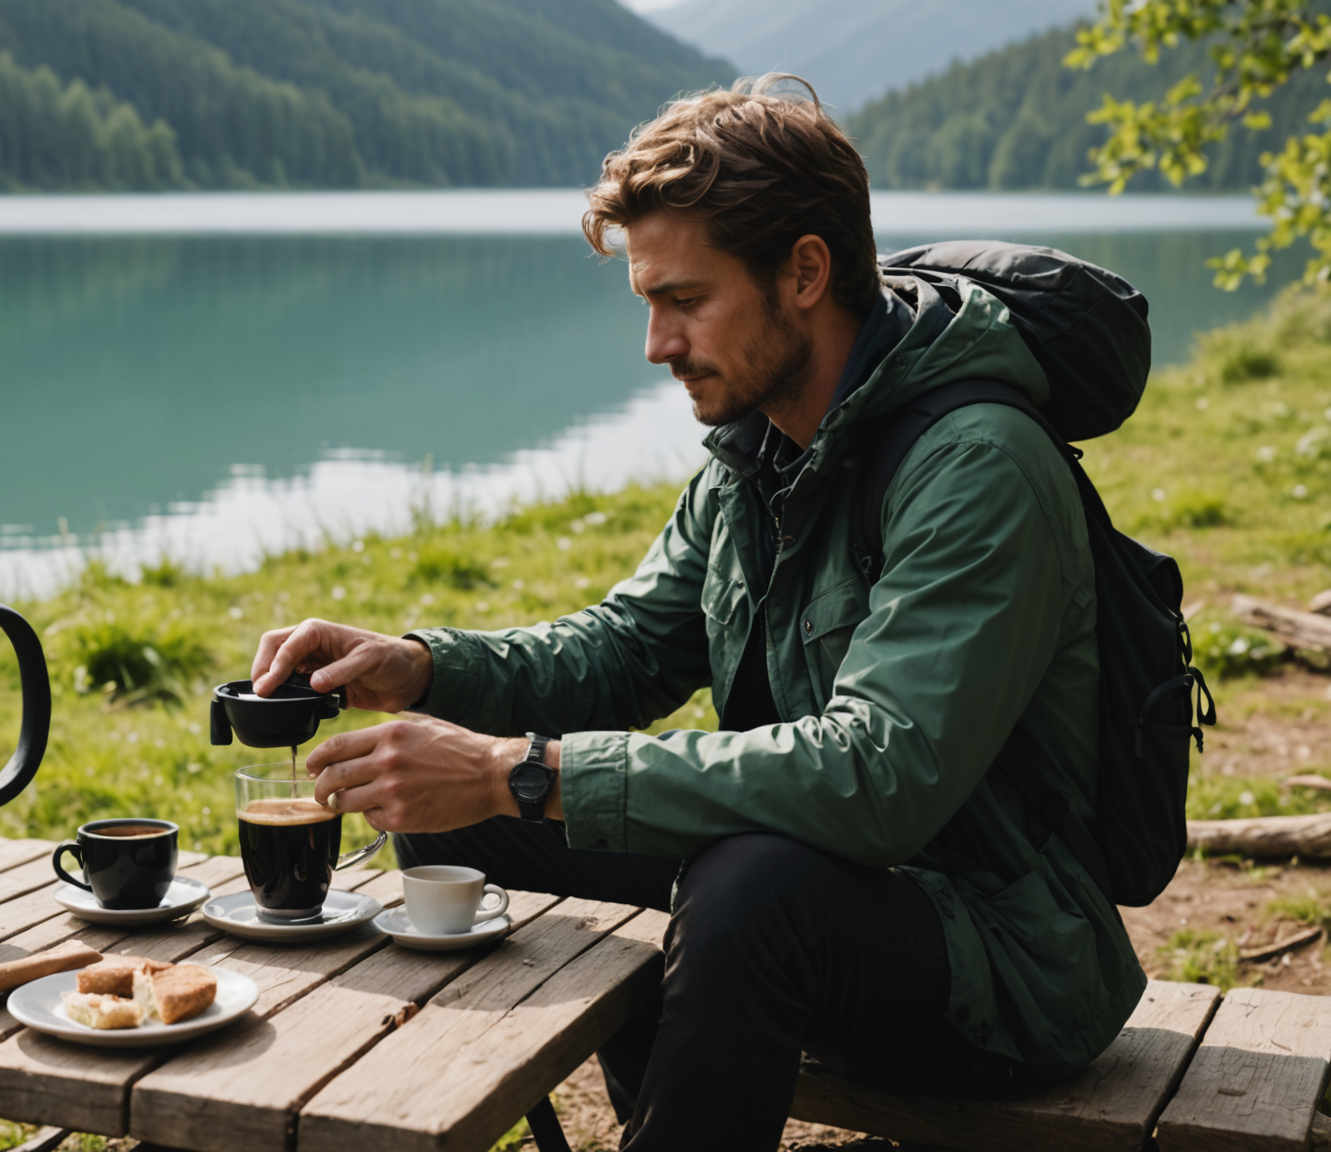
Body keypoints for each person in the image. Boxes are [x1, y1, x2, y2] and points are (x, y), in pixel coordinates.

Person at [248, 76, 1146, 1150]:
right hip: (826, 903)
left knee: (740, 877)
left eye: (685, 301)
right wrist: (420, 670)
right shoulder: (757, 449)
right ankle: (671, 1110)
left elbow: (881, 777)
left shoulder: (979, 465)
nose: (656, 345)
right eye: (646, 304)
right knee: (469, 807)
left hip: (1001, 961)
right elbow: (624, 649)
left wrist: (515, 768)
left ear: (804, 272)